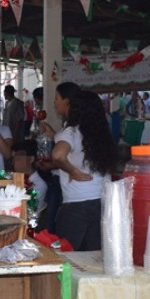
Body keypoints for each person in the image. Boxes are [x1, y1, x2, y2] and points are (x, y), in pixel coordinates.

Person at [51, 91, 112, 251]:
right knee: (94, 260)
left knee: (66, 260)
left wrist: (72, 171)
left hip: (76, 205)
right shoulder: (102, 134)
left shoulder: (71, 131)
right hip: (103, 202)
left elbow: (58, 155)